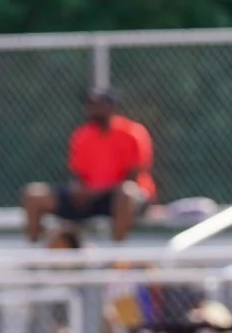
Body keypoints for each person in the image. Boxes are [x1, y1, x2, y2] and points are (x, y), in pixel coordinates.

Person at [22, 86, 156, 244]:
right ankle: (35, 255)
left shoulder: (132, 132)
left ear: (111, 106)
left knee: (125, 193)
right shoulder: (82, 135)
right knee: (34, 194)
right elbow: (78, 174)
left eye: (98, 104)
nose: (92, 109)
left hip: (121, 197)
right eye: (89, 104)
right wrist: (78, 189)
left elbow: (134, 175)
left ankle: (116, 257)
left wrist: (96, 191)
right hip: (89, 197)